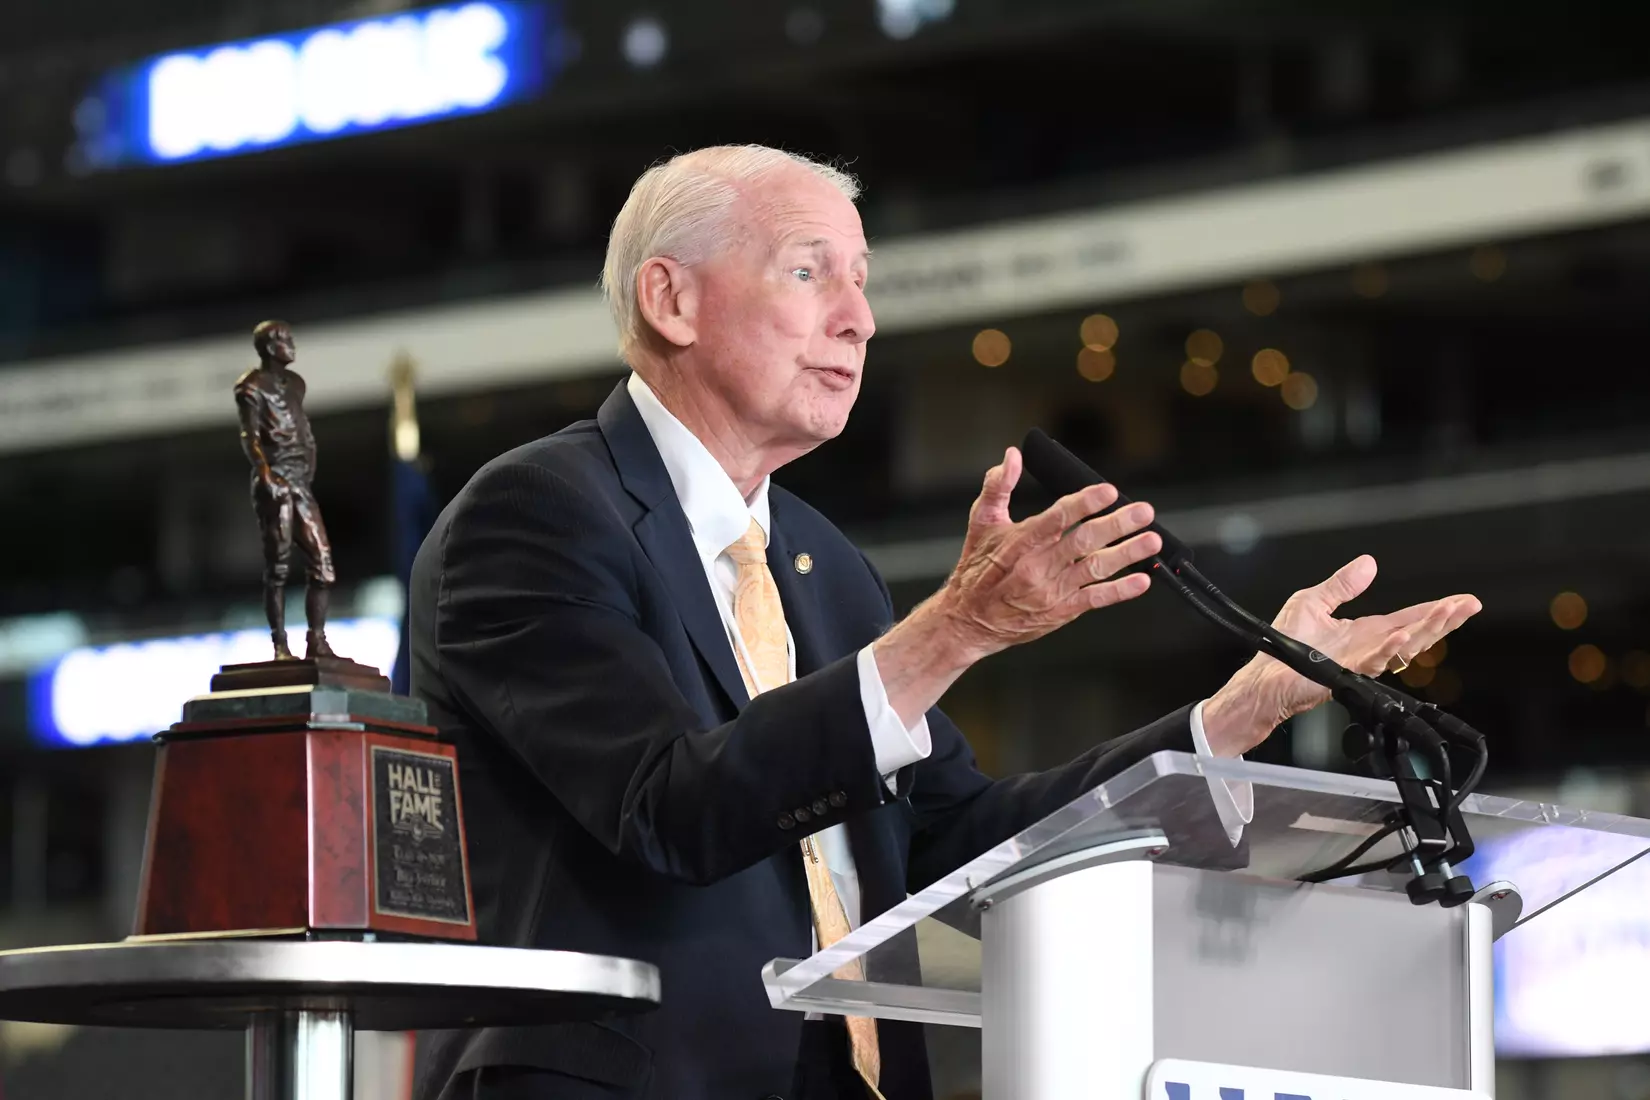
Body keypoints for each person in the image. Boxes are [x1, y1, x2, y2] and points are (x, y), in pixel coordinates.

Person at [408, 146, 1480, 1100]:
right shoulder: (536, 515)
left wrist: (1229, 719)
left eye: (863, 283)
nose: (859, 318)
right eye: (809, 270)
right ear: (671, 299)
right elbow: (667, 804)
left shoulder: (826, 568)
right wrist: (954, 631)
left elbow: (956, 840)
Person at [233, 319, 336, 660]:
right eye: (286, 340)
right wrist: (265, 473)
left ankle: (316, 640)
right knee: (277, 568)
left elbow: (302, 428)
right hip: (275, 480)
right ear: (269, 345)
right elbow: (250, 436)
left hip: (300, 480)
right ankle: (280, 645)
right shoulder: (250, 387)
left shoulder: (296, 384)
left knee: (322, 564)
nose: (292, 346)